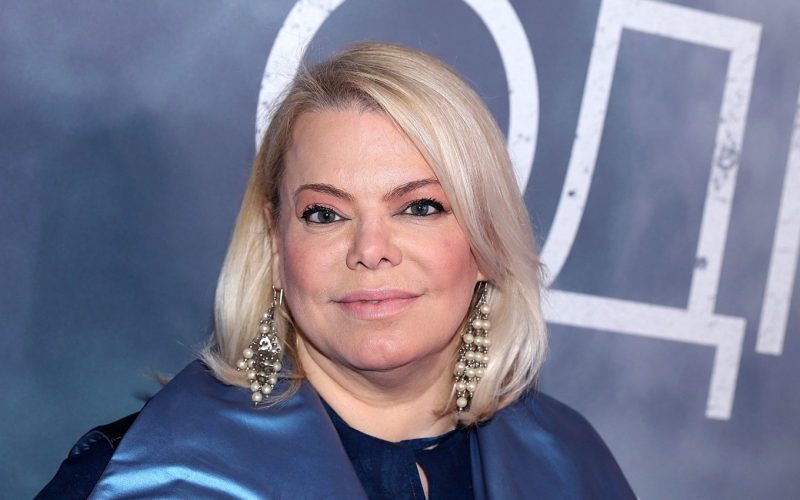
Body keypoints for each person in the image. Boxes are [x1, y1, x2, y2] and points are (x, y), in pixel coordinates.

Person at [39, 42, 635, 499]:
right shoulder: (142, 477)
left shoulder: (575, 466)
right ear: (276, 246)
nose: (370, 249)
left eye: (419, 207)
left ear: (486, 239)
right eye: (324, 214)